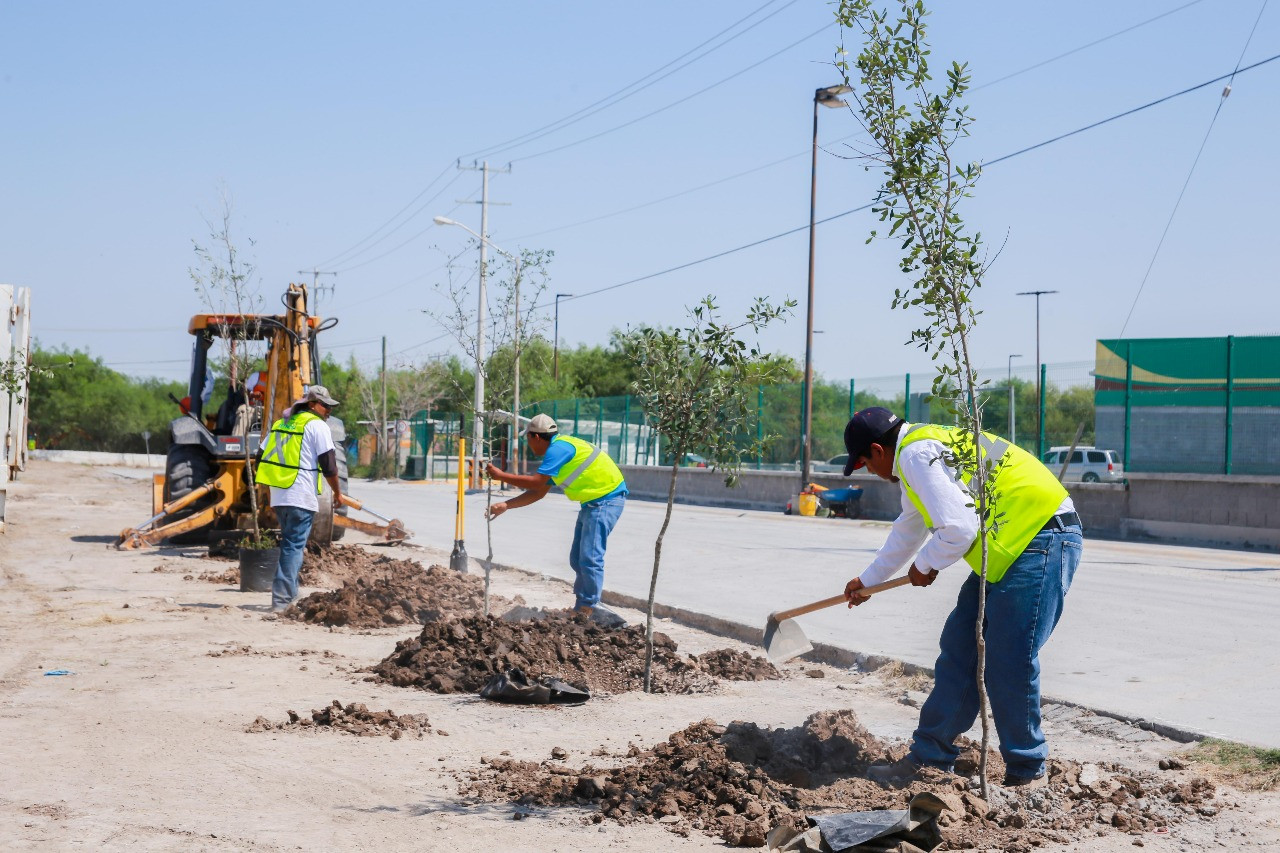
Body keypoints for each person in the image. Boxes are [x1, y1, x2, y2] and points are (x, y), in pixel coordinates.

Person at [841, 407, 1083, 789]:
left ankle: (1027, 768)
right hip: (1010, 546)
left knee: (1010, 658)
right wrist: (868, 581)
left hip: (1041, 536)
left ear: (877, 449)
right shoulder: (919, 450)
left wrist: (926, 565)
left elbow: (958, 528)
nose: (870, 472)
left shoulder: (914, 454)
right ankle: (930, 757)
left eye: (865, 463)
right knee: (960, 650)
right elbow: (911, 526)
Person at [485, 413, 627, 615]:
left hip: (606, 501)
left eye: (528, 438)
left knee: (590, 557)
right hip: (593, 503)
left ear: (535, 437)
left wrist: (501, 476)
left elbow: (536, 482)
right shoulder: (560, 451)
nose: (528, 444)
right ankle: (583, 607)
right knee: (577, 559)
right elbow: (538, 492)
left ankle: (590, 608)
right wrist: (507, 505)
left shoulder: (558, 449)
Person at [255, 385, 343, 613]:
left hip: (280, 495)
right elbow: (330, 466)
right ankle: (282, 601)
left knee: (290, 543)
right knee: (293, 546)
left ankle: (290, 595)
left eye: (330, 407)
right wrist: (338, 493)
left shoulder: (281, 424)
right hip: (300, 494)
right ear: (312, 404)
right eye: (325, 406)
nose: (328, 411)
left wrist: (271, 488)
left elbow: (260, 457)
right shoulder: (317, 426)